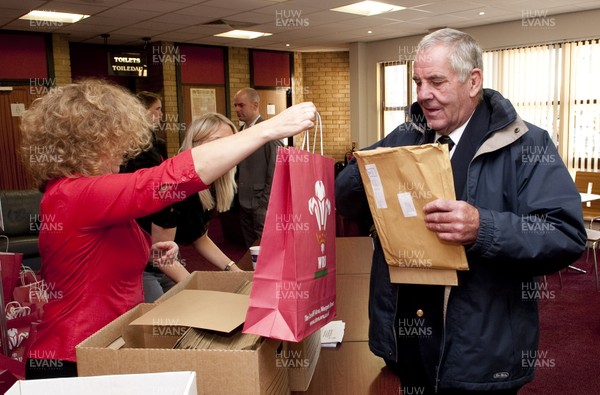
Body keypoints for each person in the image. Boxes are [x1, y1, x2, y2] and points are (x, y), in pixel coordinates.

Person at [335, 28, 586, 394]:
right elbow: (348, 202)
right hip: (405, 345)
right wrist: (371, 170)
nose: (423, 95)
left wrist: (483, 227)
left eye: (436, 82)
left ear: (473, 82)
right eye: (418, 82)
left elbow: (564, 233)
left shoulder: (528, 144)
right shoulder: (407, 134)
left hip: (478, 356)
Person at [19, 79, 316, 379]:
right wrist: (266, 130)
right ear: (90, 143)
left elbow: (90, 259)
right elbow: (165, 181)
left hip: (104, 346)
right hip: (71, 359)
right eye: (114, 143)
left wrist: (151, 250)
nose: (122, 154)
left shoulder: (81, 195)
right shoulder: (73, 193)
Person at [143, 113, 245, 301]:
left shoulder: (214, 183)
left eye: (232, 141)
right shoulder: (176, 183)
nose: (228, 148)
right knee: (159, 322)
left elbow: (200, 237)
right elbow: (159, 254)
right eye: (218, 141)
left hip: (167, 260)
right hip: (140, 265)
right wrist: (197, 288)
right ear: (197, 144)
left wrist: (234, 269)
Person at [120, 91, 187, 302]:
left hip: (156, 240)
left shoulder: (155, 144)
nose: (161, 115)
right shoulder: (138, 150)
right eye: (157, 109)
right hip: (143, 234)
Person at [233, 87, 282, 247]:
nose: (237, 109)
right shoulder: (240, 131)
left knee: (266, 247)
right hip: (243, 200)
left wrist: (265, 202)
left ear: (255, 105)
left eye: (241, 105)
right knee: (251, 248)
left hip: (261, 203)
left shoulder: (268, 131)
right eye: (235, 106)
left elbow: (276, 170)